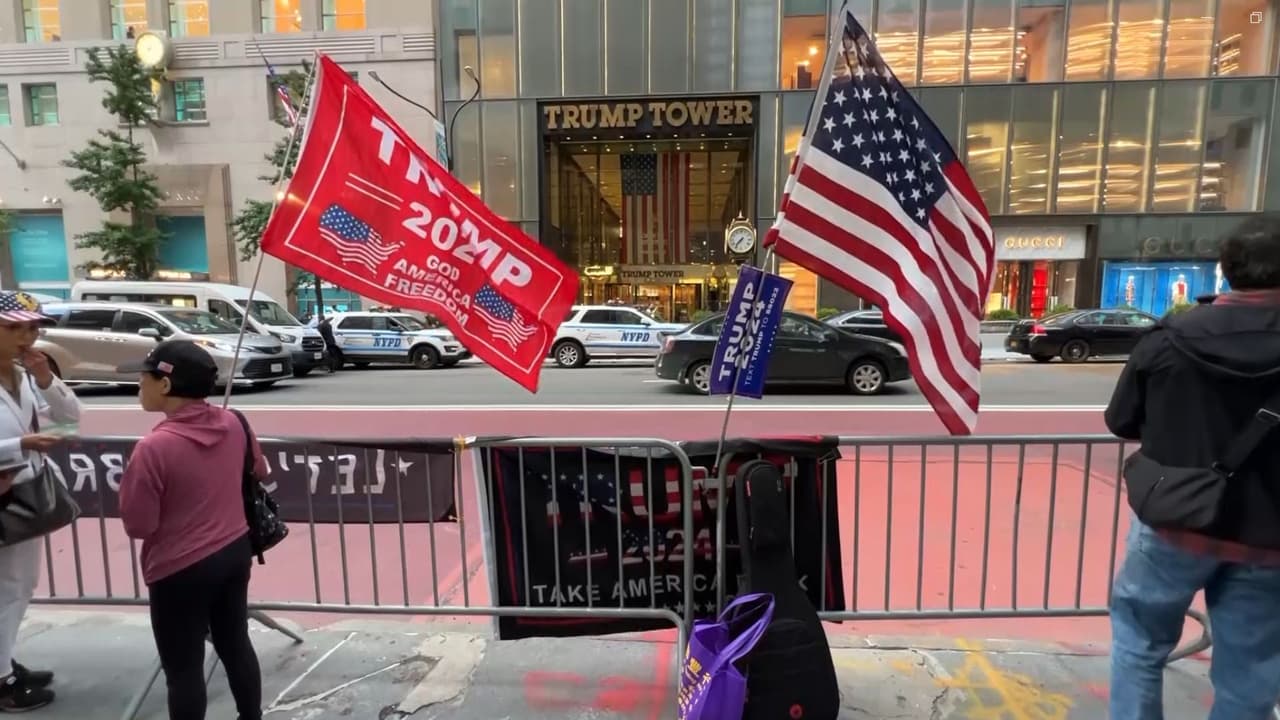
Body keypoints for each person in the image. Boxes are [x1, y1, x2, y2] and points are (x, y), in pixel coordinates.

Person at [1105, 214, 1280, 720]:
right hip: (1270, 539)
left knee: (1139, 642)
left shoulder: (1171, 336)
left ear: (1226, 269)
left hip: (1174, 522)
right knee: (1251, 674)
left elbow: (1122, 420)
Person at [117, 341, 267, 720]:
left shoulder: (153, 448)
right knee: (235, 644)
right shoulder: (235, 423)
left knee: (183, 670)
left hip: (178, 569)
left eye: (143, 378)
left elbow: (139, 525)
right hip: (234, 551)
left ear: (165, 386)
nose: (139, 385)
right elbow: (260, 472)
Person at [0, 291, 80, 712]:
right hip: (6, 495)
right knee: (8, 587)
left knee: (19, 584)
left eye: (32, 327)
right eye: (13, 327)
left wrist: (48, 381)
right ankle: (2, 680)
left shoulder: (27, 375)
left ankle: (4, 660)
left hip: (25, 493)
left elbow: (72, 419)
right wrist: (20, 443)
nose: (26, 336)